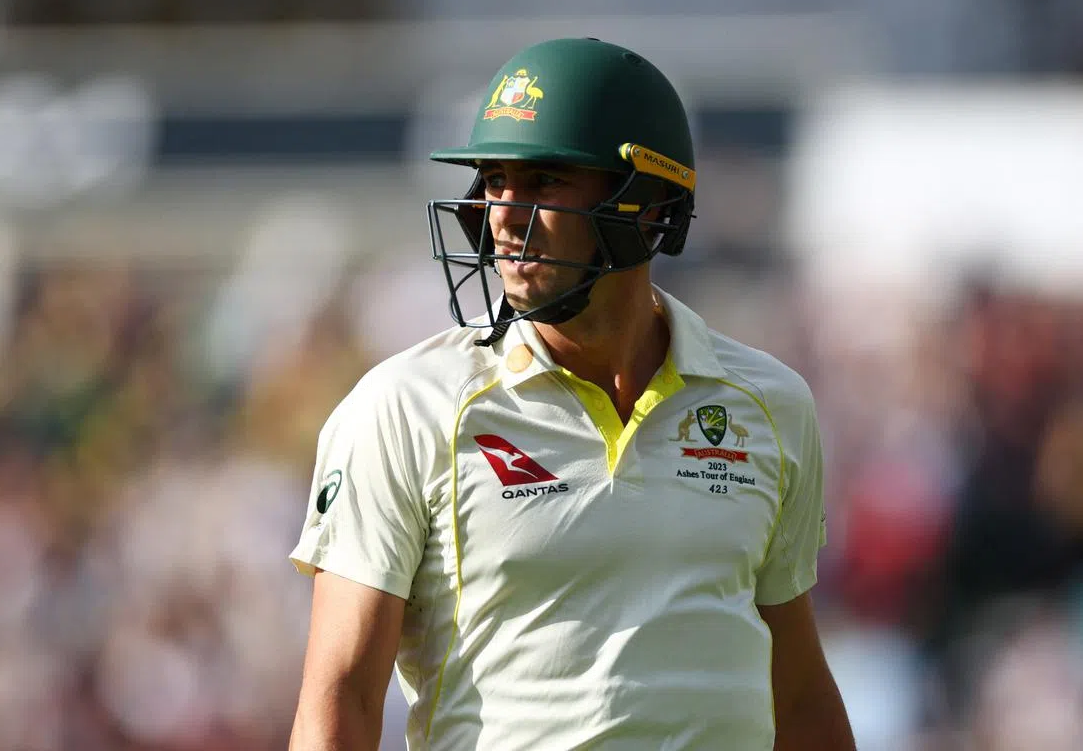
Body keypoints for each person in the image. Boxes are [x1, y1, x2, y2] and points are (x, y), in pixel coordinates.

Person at [288, 37, 855, 750]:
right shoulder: (405, 406)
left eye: (546, 181)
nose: (504, 213)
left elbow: (798, 690)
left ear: (647, 205)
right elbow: (341, 695)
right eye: (494, 181)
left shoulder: (771, 405)